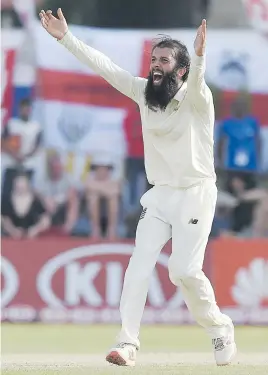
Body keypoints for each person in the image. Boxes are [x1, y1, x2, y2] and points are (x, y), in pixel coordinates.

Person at [39, 9, 236, 366]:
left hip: (196, 193)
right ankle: (127, 343)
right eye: (153, 59)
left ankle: (219, 326)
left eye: (164, 60)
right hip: (160, 195)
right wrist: (65, 38)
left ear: (180, 70)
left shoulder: (197, 100)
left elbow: (198, 79)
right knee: (139, 263)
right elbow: (104, 66)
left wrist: (200, 57)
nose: (156, 65)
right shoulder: (143, 91)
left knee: (183, 272)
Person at [1, 98, 43, 199]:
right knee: (7, 194)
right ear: (19, 109)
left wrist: (25, 156)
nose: (25, 111)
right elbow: (3, 142)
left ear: (30, 110)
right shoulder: (11, 124)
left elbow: (37, 146)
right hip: (11, 164)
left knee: (26, 194)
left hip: (28, 165)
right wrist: (15, 155)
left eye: (27, 108)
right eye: (23, 108)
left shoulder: (36, 127)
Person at [1, 172, 50, 239]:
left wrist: (35, 230)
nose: (20, 186)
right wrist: (12, 231)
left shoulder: (36, 200)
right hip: (10, 238)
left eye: (23, 183)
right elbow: (4, 219)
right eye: (18, 183)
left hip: (33, 238)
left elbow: (45, 220)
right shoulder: (7, 200)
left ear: (28, 184)